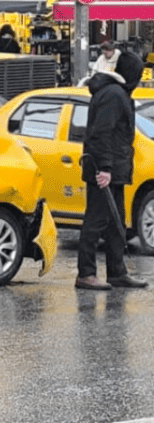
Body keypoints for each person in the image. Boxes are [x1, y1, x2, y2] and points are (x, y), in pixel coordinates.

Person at [75, 51, 149, 291]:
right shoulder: (114, 95)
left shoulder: (117, 93)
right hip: (104, 170)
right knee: (96, 221)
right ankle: (86, 274)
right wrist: (105, 168)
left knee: (116, 223)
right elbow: (101, 134)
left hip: (113, 169)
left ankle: (117, 272)